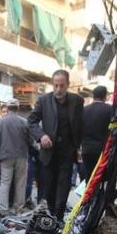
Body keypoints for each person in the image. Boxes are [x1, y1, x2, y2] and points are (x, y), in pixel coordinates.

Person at [27, 69, 84, 220]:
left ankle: (57, 218)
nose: (58, 89)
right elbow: (31, 121)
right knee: (49, 188)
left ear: (68, 85)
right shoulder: (44, 100)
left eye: (62, 86)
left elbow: (81, 125)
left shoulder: (77, 101)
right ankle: (51, 216)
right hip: (48, 153)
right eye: (56, 85)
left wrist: (79, 147)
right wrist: (41, 136)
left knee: (64, 186)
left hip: (67, 152)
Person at [0, 99, 31, 215]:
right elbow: (30, 139)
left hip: (5, 156)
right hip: (21, 156)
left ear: (8, 108)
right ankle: (19, 208)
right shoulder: (24, 122)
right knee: (20, 183)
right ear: (18, 109)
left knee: (4, 182)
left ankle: (2, 209)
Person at [81, 85, 113, 179]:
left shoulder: (84, 110)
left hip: (86, 149)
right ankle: (100, 193)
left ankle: (90, 193)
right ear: (105, 96)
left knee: (89, 177)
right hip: (103, 150)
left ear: (93, 95)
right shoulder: (110, 109)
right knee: (102, 178)